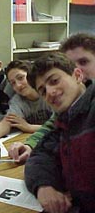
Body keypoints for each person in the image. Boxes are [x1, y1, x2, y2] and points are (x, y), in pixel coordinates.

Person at [8, 33, 95, 163]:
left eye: (83, 62)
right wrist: (30, 145)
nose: (77, 69)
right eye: (71, 64)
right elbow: (51, 126)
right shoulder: (70, 104)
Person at [24, 52, 95, 213]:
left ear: (77, 75)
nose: (49, 92)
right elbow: (40, 156)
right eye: (42, 90)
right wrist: (43, 186)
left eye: (54, 81)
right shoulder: (65, 121)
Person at [0, 60, 52, 144]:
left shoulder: (49, 94)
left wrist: (29, 127)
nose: (18, 85)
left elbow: (61, 126)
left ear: (32, 75)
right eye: (13, 83)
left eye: (21, 78)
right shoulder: (17, 100)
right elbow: (8, 122)